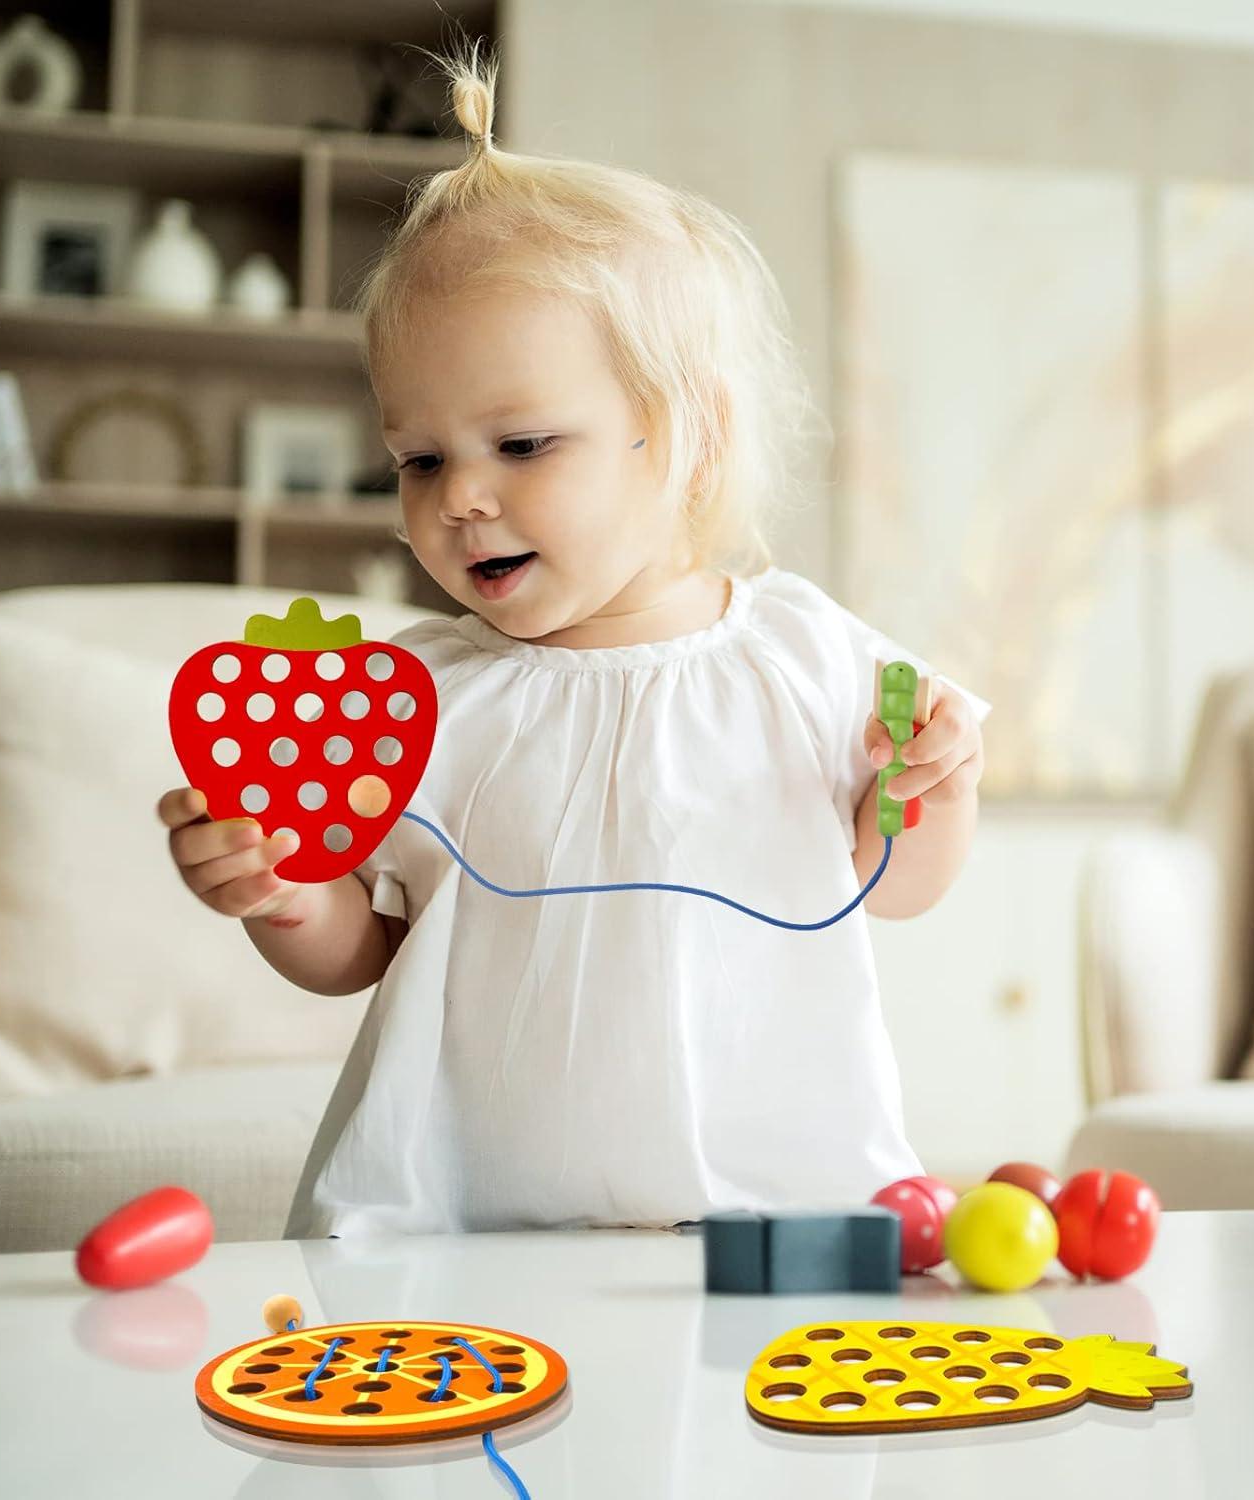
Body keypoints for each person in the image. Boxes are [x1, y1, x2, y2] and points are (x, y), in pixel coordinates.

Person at [157, 39, 990, 1239]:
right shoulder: (416, 695)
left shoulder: (806, 654)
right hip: (462, 1228)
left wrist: (934, 791)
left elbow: (891, 887)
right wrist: (282, 893)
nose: (461, 498)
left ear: (688, 434)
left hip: (758, 1214)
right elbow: (364, 951)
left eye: (525, 445)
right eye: (421, 459)